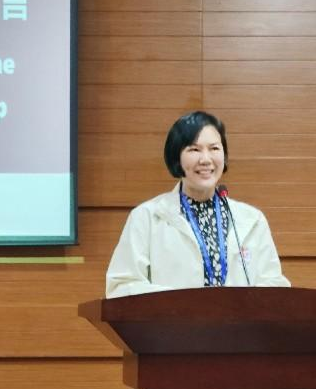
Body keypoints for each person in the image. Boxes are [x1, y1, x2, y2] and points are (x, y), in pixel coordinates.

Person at [105, 110, 291, 297]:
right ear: (176, 157)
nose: (206, 159)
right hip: (172, 317)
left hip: (237, 318)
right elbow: (121, 287)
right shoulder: (146, 217)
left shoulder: (252, 219)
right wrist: (182, 303)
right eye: (194, 149)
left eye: (214, 148)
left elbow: (275, 285)